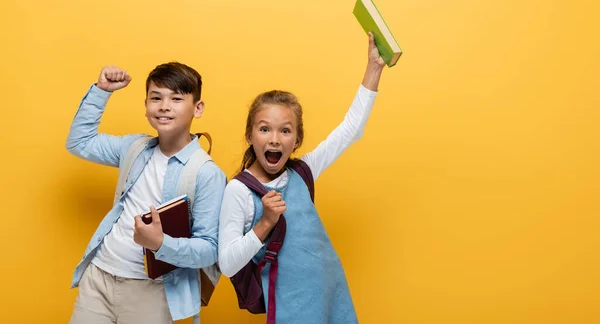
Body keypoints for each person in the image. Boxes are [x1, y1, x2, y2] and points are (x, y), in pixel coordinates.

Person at [218, 33, 387, 323]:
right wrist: (265, 223)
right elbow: (228, 263)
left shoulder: (302, 172)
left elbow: (350, 130)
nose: (274, 139)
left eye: (285, 130)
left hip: (331, 294)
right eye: (264, 129)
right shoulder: (238, 191)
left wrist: (374, 68)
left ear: (297, 140)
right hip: (291, 307)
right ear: (249, 136)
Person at [66, 62, 226, 323]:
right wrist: (101, 91)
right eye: (156, 98)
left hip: (153, 290)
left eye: (176, 98)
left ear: (198, 108)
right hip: (99, 278)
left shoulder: (207, 173)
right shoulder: (134, 148)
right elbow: (79, 142)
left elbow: (209, 249)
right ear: (146, 106)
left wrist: (161, 244)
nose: (164, 105)